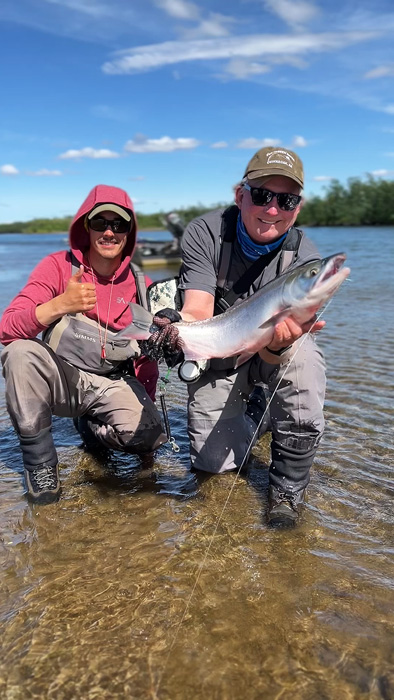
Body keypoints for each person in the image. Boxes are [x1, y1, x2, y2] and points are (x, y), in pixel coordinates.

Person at [143, 147, 326, 528]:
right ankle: (258, 415)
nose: (272, 209)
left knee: (304, 358)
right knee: (213, 466)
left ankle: (286, 494)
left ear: (298, 206)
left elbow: (283, 344)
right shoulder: (205, 232)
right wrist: (177, 325)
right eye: (262, 195)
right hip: (221, 349)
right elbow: (198, 311)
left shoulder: (306, 261)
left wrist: (277, 346)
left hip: (274, 348)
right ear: (240, 194)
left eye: (286, 200)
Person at [0, 185, 167, 505]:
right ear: (85, 227)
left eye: (118, 224)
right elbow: (6, 329)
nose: (108, 231)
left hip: (111, 382)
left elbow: (148, 360)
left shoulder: (141, 283)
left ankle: (91, 428)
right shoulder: (57, 266)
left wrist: (148, 431)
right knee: (19, 352)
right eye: (99, 223)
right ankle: (42, 469)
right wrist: (59, 305)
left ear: (129, 232)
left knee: (148, 435)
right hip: (62, 381)